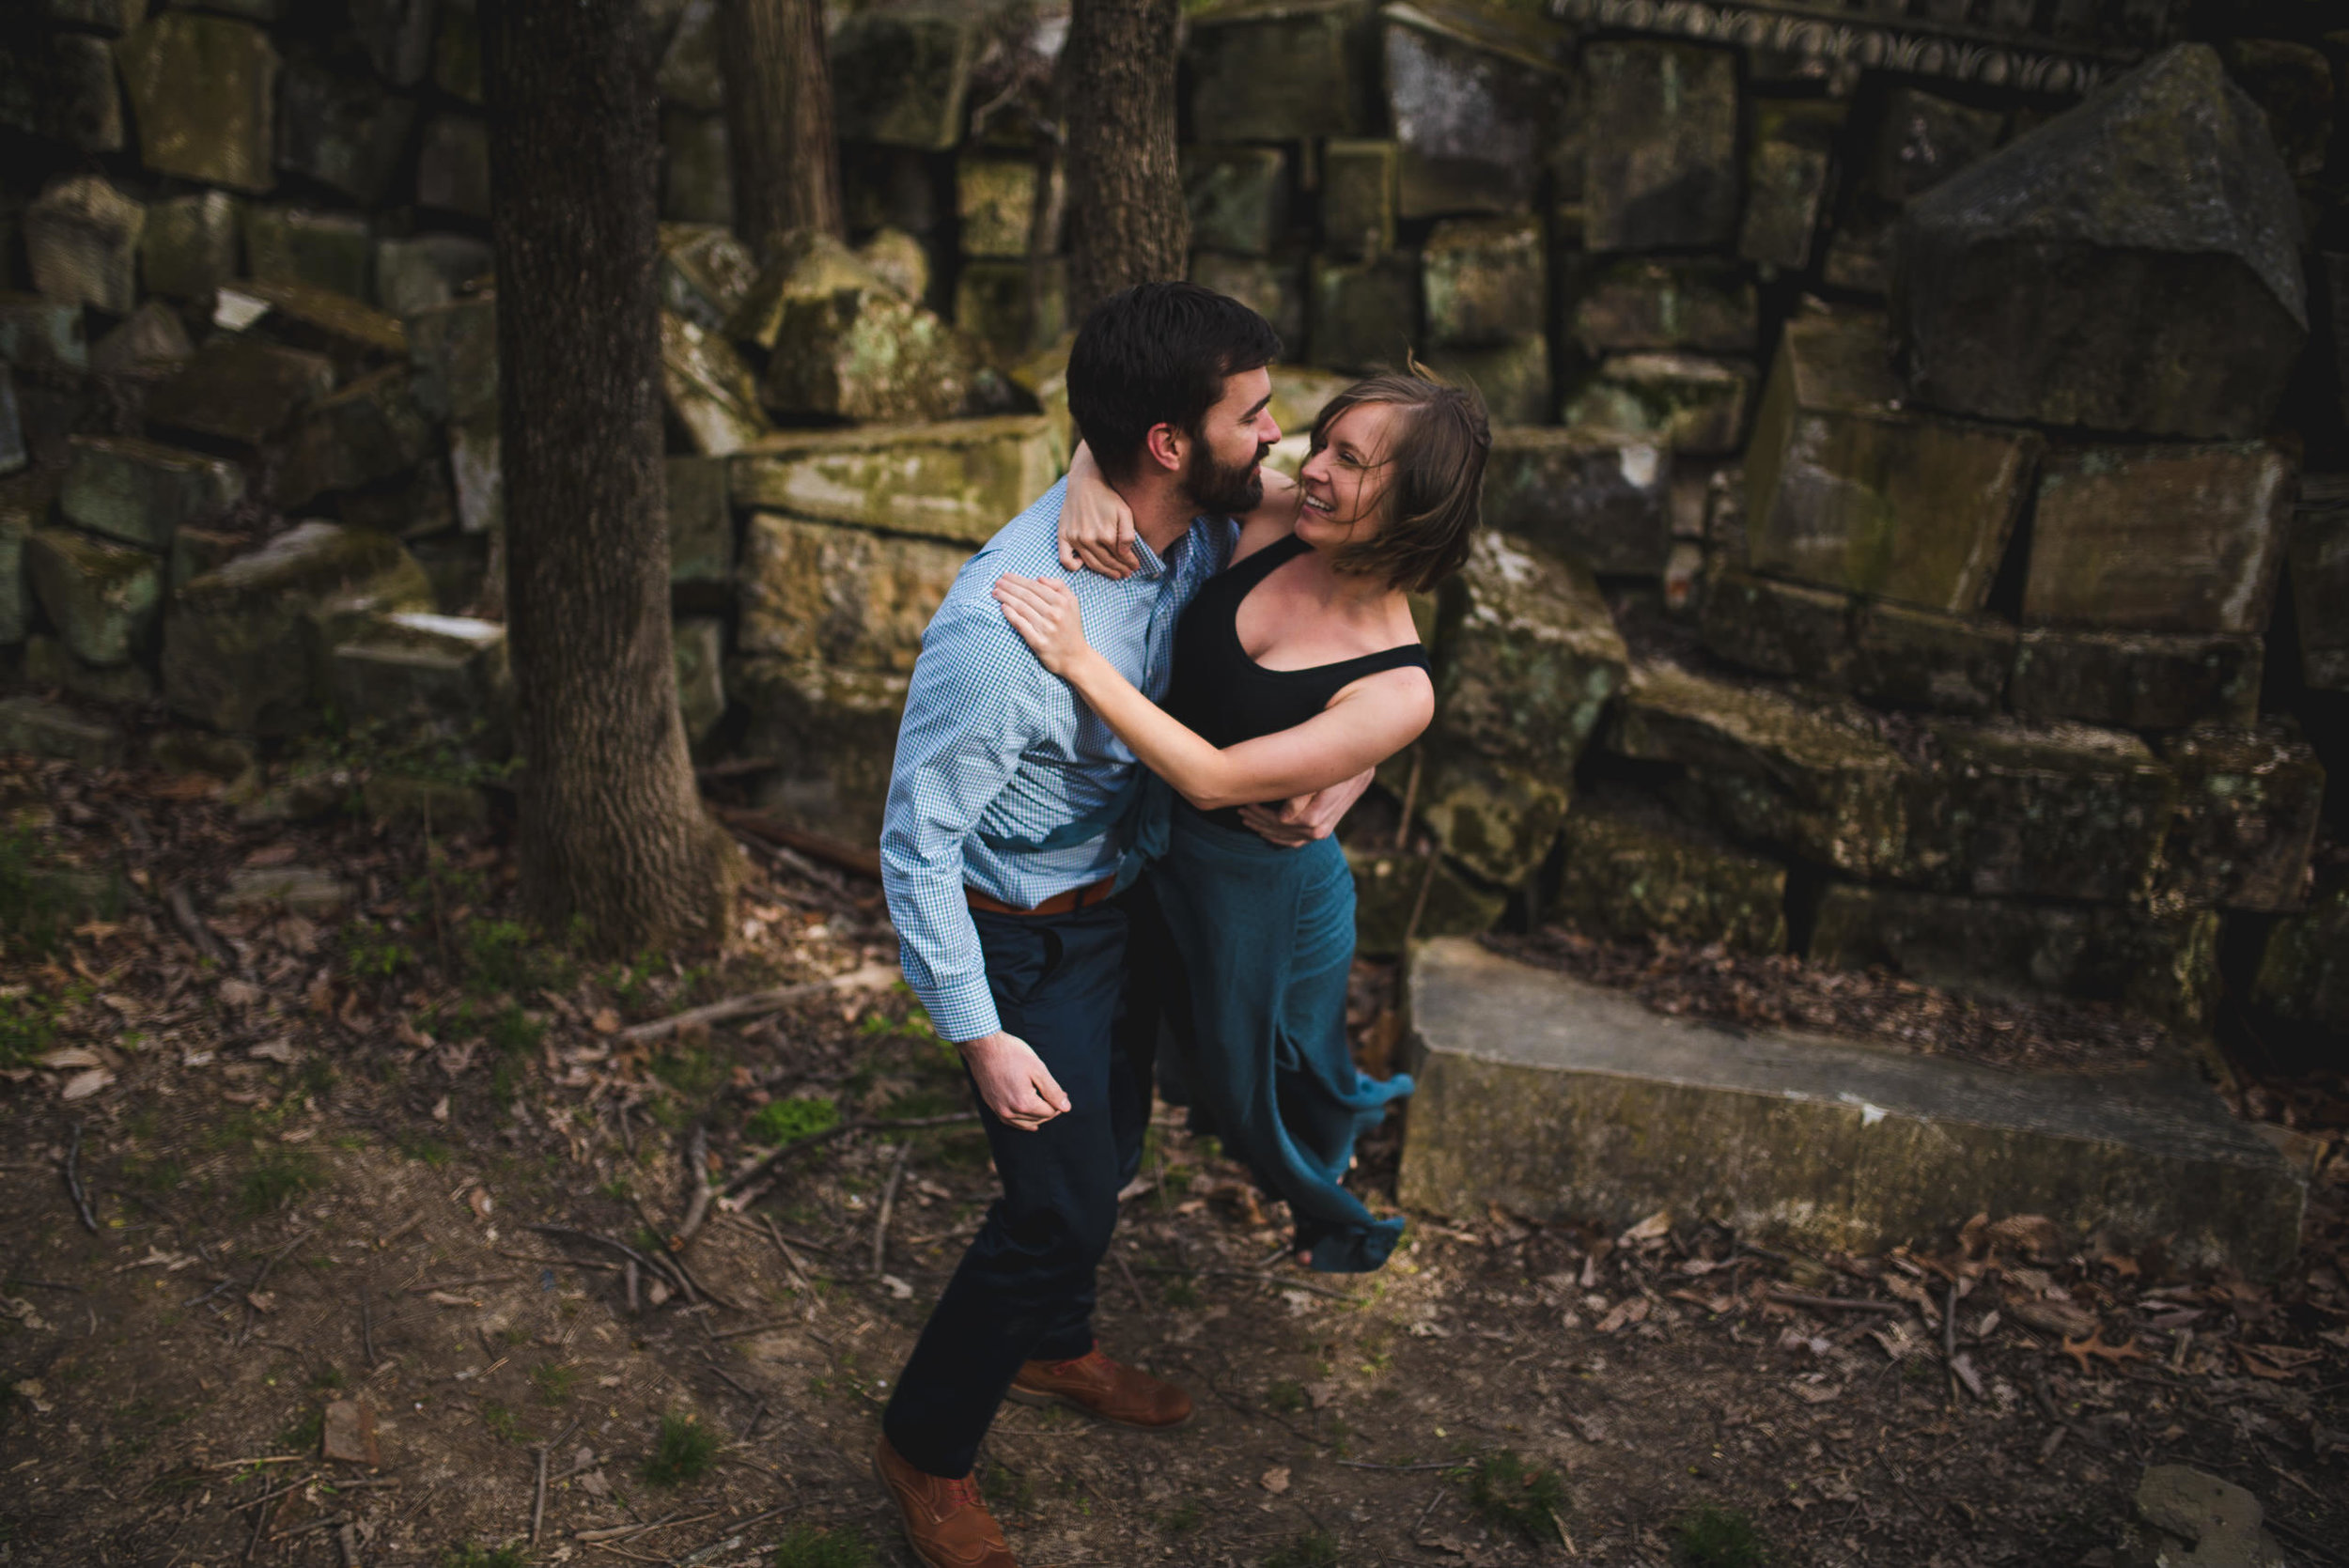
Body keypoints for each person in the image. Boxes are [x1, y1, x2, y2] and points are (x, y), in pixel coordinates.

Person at [869, 282, 1372, 1568]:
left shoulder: (1193, 527)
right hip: (1017, 936)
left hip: (1126, 903)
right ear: (1170, 441)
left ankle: (1050, 1343)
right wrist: (977, 1031)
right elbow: (916, 843)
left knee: (1118, 1143)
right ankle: (927, 1449)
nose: (1280, 440)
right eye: (1255, 417)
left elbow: (1376, 545)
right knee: (1058, 1206)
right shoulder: (1004, 628)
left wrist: (1090, 462)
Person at [992, 365, 1489, 1275]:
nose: (1314, 466)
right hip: (1150, 848)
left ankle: (1331, 1198)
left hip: (1264, 892)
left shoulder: (1397, 687)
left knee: (1262, 1073)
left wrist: (1075, 660)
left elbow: (1217, 778)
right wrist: (1087, 472)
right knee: (1134, 1027)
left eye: (1349, 458)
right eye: (1324, 443)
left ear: (1414, 502)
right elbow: (1148, 447)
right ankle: (1074, 1221)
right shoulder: (1277, 515)